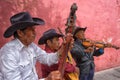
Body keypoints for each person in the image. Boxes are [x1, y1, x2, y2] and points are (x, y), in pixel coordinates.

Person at [0, 12, 72, 80]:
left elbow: (46, 58)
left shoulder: (31, 46)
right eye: (31, 30)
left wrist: (61, 50)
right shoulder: (8, 53)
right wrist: (47, 79)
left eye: (34, 29)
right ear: (20, 33)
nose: (35, 33)